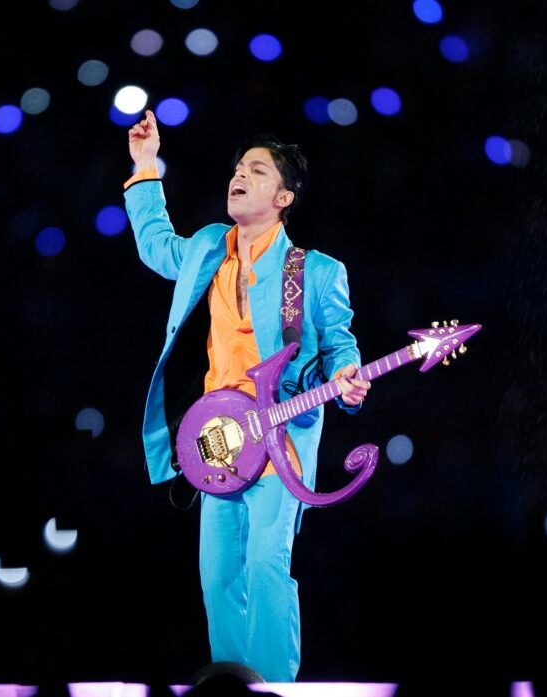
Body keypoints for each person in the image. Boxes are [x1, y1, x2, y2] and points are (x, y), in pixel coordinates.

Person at [123, 109, 370, 682]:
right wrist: (144, 166)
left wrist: (350, 377)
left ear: (283, 196)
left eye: (256, 171)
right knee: (218, 577)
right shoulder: (209, 247)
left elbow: (339, 345)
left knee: (264, 564)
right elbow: (157, 246)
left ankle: (274, 689)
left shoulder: (315, 271)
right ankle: (236, 688)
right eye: (238, 168)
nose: (239, 176)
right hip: (216, 437)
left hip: (281, 433)